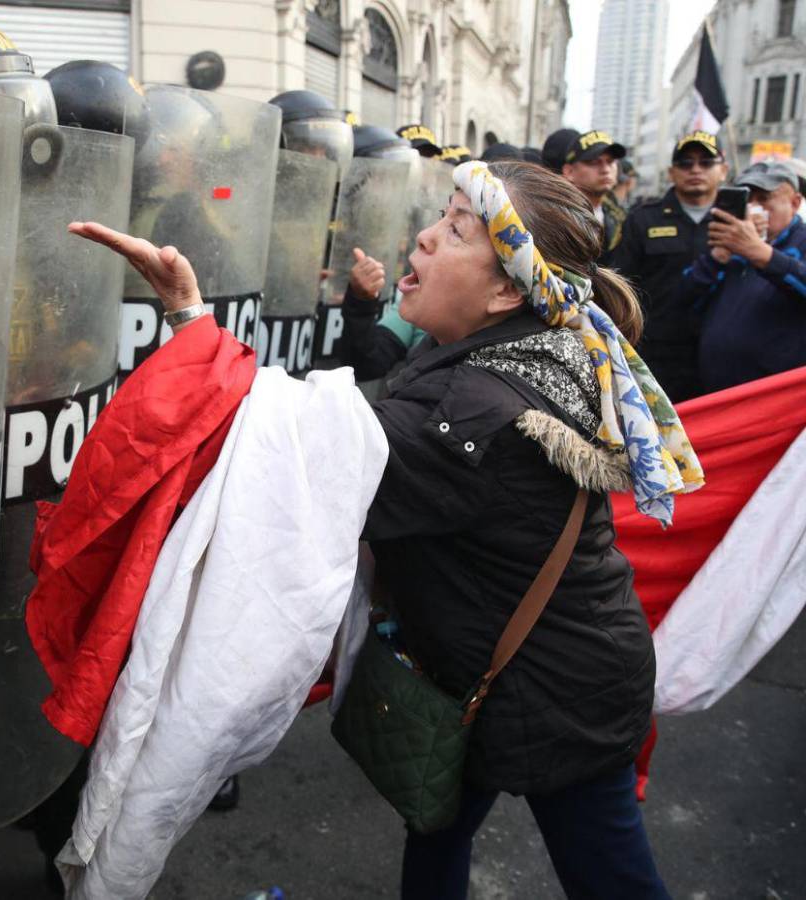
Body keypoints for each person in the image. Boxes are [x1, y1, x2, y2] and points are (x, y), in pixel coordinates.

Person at [70, 155, 702, 899]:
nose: (427, 238)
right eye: (440, 216)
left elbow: (298, 461)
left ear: (507, 288)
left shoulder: (474, 411)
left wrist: (188, 316)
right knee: (434, 823)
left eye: (457, 230)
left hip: (561, 701)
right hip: (487, 678)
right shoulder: (534, 348)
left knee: (611, 880)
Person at [613, 131, 728, 402]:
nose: (695, 170)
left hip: (718, 357)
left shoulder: (739, 222)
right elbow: (620, 285)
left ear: (723, 170)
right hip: (658, 356)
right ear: (672, 172)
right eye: (686, 163)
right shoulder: (643, 220)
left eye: (706, 162)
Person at [685, 160, 806, 393]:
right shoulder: (729, 244)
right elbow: (683, 301)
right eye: (747, 199)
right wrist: (716, 258)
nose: (753, 208)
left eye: (764, 199)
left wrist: (761, 254)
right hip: (716, 391)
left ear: (794, 203)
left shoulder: (800, 242)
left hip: (774, 397)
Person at [561, 130, 626, 264]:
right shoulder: (556, 215)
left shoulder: (619, 217)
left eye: (610, 161)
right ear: (569, 171)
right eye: (594, 162)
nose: (605, 169)